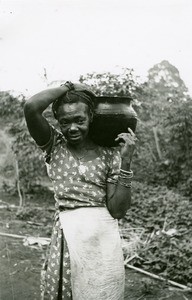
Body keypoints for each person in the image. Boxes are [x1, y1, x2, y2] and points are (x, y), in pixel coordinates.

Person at [24, 81, 137, 300]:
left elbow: (118, 210)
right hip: (69, 238)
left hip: (103, 239)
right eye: (65, 122)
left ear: (91, 118)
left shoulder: (109, 154)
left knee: (101, 291)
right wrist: (69, 86)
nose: (72, 128)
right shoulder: (54, 146)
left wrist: (126, 162)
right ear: (58, 122)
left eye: (79, 120)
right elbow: (31, 107)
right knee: (69, 292)